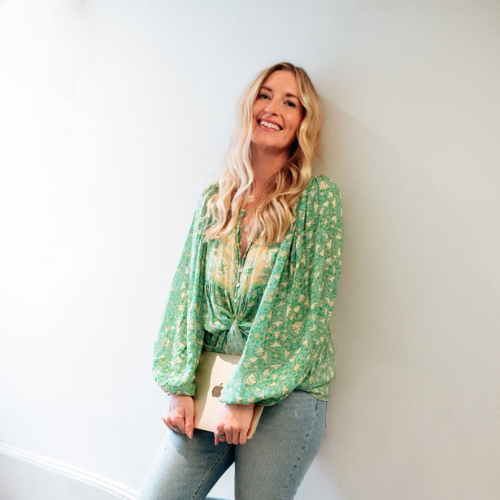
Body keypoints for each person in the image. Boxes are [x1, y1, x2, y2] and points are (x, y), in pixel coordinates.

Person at [137, 62, 344, 500]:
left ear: (303, 123)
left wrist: (247, 394)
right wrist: (179, 385)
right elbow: (185, 298)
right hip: (211, 382)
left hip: (287, 391)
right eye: (265, 95)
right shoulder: (215, 200)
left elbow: (307, 312)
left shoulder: (317, 200)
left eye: (290, 103)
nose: (273, 108)